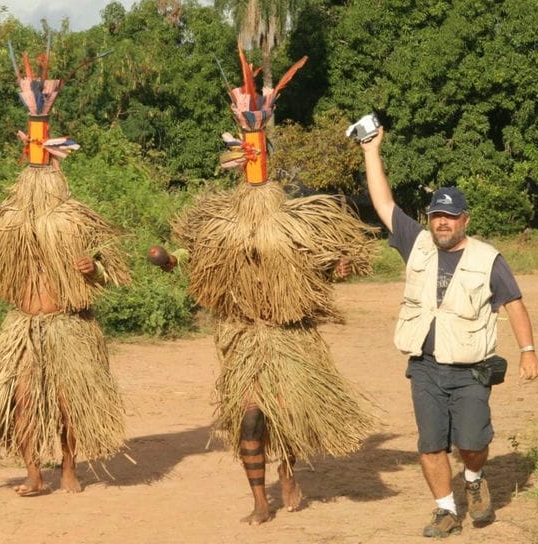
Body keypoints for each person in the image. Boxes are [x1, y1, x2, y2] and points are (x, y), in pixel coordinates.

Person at [149, 45, 377, 525]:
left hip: (289, 336)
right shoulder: (220, 222)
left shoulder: (296, 220)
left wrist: (337, 266)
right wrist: (170, 260)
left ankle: (289, 470)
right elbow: (192, 257)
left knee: (284, 414)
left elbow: (342, 255)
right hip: (245, 337)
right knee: (250, 416)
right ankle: (259, 500)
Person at [359, 126, 538, 537]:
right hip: (424, 366)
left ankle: (474, 479)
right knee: (430, 443)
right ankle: (445, 509)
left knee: (472, 442)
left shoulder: (488, 258)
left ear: (464, 220)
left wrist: (528, 349)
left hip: (470, 368)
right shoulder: (417, 243)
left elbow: (513, 303)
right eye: (436, 216)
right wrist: (372, 150)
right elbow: (383, 203)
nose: (441, 223)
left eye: (449, 217)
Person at [0, 50, 130, 496]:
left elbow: (112, 265)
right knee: (21, 400)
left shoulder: (74, 216)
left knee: (66, 402)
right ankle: (35, 473)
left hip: (68, 325)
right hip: (23, 325)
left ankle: (70, 467)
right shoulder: (8, 217)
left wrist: (93, 267)